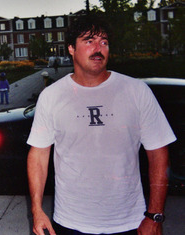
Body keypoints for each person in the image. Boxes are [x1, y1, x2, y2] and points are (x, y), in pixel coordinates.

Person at [27, 15, 176, 235]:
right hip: (70, 223)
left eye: (104, 42)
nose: (98, 48)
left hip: (130, 222)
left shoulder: (136, 91)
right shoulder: (52, 96)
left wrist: (155, 215)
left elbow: (158, 153)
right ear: (71, 48)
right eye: (89, 41)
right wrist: (37, 210)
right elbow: (39, 155)